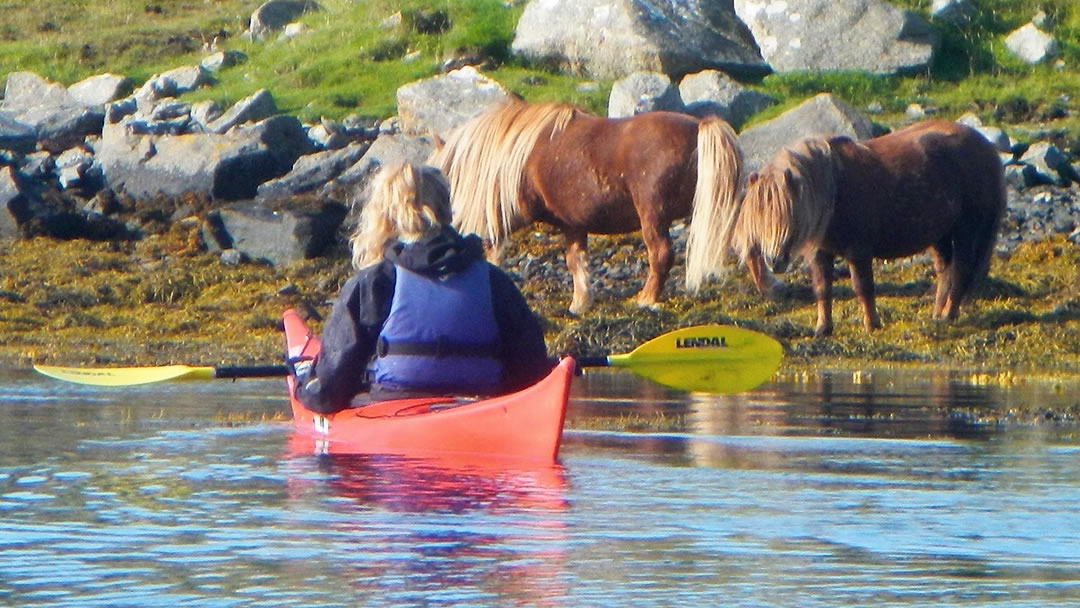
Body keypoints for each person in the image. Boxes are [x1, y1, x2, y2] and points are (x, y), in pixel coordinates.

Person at [292, 161, 551, 415]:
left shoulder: (374, 282)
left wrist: (304, 384)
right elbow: (532, 372)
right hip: (481, 407)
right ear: (446, 210)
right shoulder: (495, 281)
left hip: (393, 410)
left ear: (386, 217)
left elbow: (327, 395)